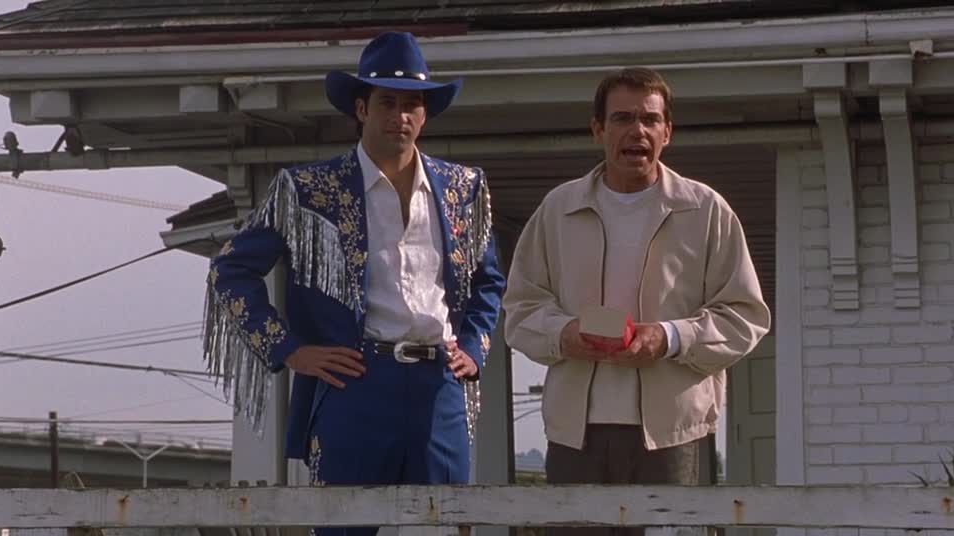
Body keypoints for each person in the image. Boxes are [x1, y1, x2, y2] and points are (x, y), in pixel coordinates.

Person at [203, 31, 505, 535]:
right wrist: (289, 349)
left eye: (412, 104)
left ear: (425, 114)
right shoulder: (308, 189)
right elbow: (229, 271)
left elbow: (488, 280)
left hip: (440, 386)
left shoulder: (463, 189)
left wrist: (473, 347)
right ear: (361, 108)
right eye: (387, 102)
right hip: (355, 381)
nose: (400, 116)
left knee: (446, 526)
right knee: (342, 527)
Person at [502, 67, 770, 533]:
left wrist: (669, 338)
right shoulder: (557, 209)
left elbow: (745, 317)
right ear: (598, 130)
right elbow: (520, 308)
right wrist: (563, 334)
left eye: (650, 119)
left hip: (671, 435)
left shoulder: (706, 210)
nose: (637, 130)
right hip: (574, 435)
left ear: (667, 132)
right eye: (623, 118)